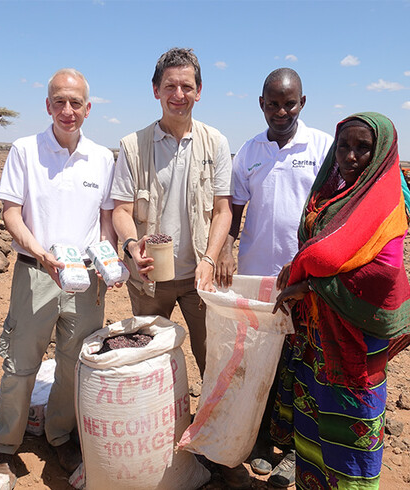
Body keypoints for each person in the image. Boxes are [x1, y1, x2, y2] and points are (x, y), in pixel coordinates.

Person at [110, 47, 248, 488]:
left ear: (199, 91)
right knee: (147, 360)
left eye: (187, 86)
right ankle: (150, 446)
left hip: (198, 279)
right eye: (170, 85)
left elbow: (224, 210)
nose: (178, 93)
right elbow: (122, 209)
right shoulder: (133, 146)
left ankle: (217, 449)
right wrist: (132, 246)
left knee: (213, 362)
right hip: (149, 279)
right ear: (156, 90)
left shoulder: (216, 143)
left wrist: (210, 258)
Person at [0, 68, 117, 487]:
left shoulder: (101, 158)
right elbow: (10, 211)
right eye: (59, 101)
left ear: (88, 108)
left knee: (72, 365)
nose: (67, 110)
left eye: (75, 102)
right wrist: (41, 253)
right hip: (36, 273)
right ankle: (5, 446)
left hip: (85, 279)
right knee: (20, 365)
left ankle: (60, 435)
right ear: (47, 105)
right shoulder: (26, 150)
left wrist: (105, 258)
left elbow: (105, 222)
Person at [272, 112, 410, 489]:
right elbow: (320, 249)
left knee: (350, 427)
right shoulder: (333, 195)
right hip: (317, 336)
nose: (350, 156)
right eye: (344, 146)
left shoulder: (386, 202)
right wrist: (299, 266)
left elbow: (382, 272)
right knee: (315, 420)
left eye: (362, 148)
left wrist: (312, 287)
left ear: (380, 152)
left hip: (355, 339)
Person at [216, 67, 333, 487]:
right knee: (260, 361)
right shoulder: (248, 152)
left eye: (289, 103)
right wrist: (227, 247)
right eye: (273, 103)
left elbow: (333, 211)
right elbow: (234, 209)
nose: (280, 111)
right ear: (261, 104)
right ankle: (262, 438)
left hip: (305, 279)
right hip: (256, 278)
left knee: (301, 364)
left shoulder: (323, 147)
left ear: (302, 103)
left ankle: (296, 449)